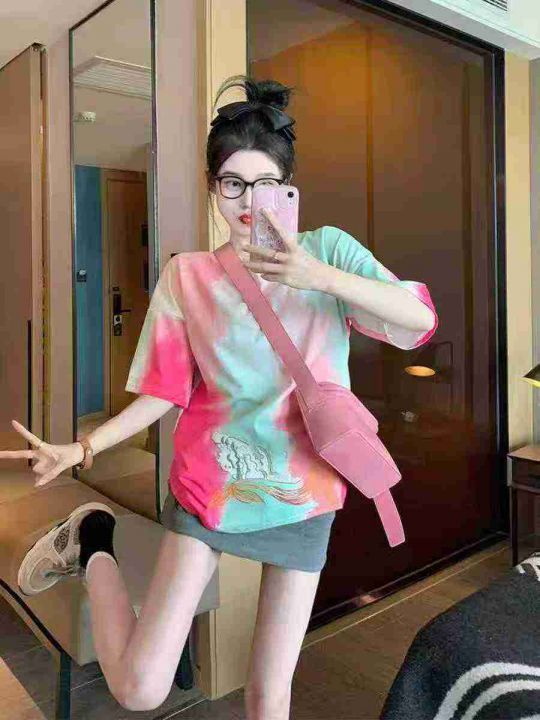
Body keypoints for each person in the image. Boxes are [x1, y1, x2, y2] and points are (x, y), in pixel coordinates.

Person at [0, 76, 437, 718]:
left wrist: (316, 276)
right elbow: (164, 390)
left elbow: (417, 320)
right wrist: (83, 448)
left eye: (266, 184)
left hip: (305, 492)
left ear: (289, 188)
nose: (249, 202)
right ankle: (93, 537)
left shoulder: (328, 251)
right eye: (233, 184)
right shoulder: (188, 276)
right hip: (210, 487)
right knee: (140, 687)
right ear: (213, 188)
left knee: (268, 694)